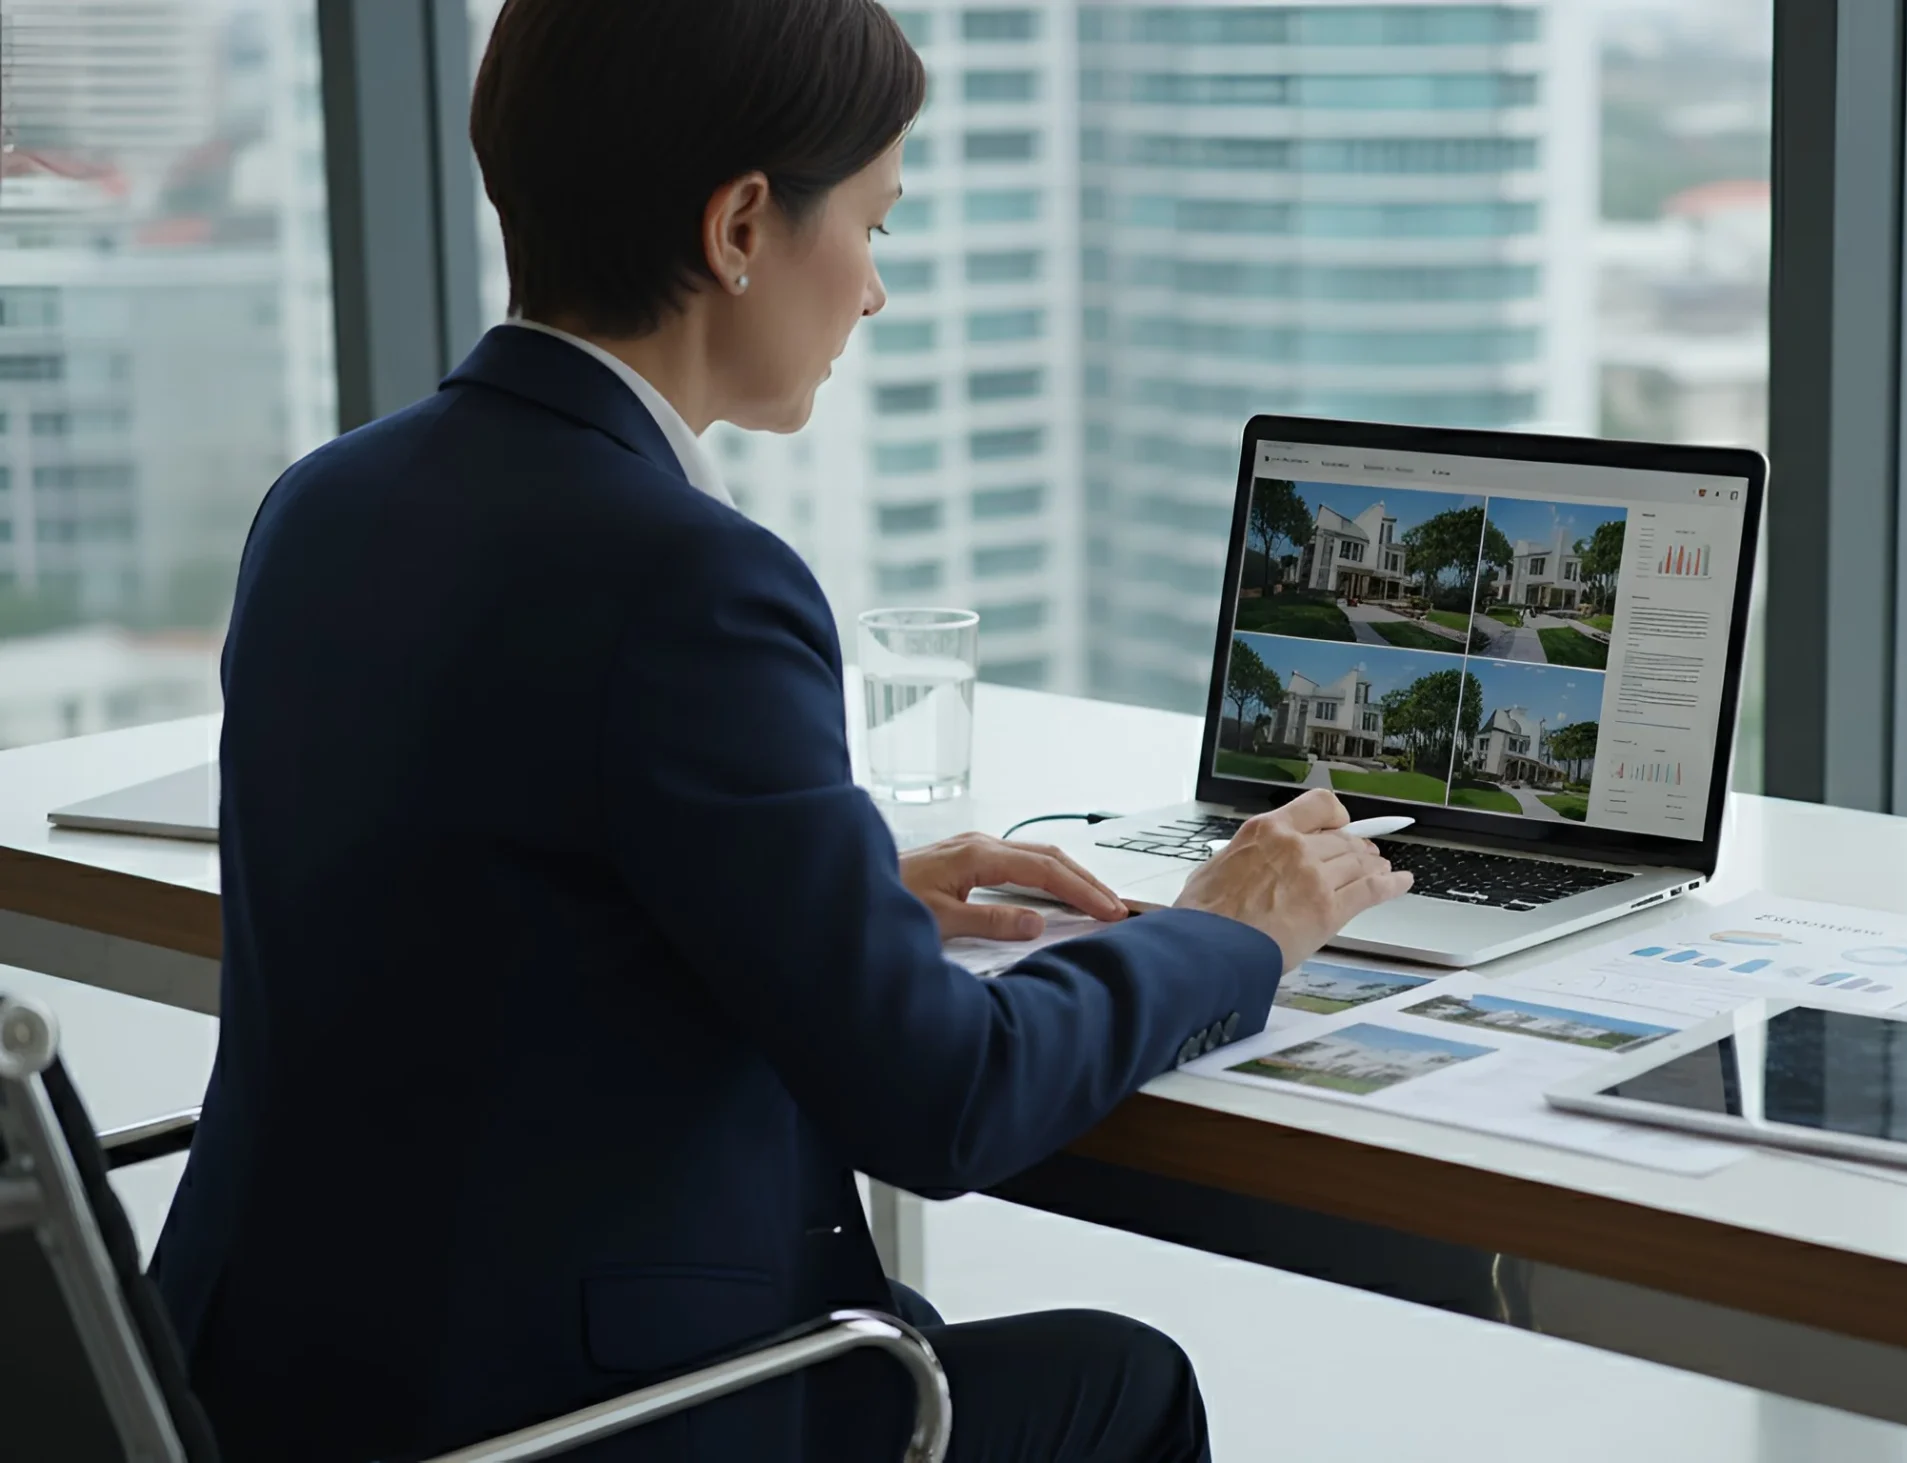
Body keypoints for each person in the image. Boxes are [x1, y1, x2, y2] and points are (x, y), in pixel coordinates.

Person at [147, 1, 1411, 1458]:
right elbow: (942, 1098)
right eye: (873, 224)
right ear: (743, 224)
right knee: (1120, 1387)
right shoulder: (688, 575)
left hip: (264, 1388)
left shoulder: (328, 502)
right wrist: (1229, 929)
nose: (874, 290)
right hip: (580, 1418)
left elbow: (496, 898)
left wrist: (846, 904)